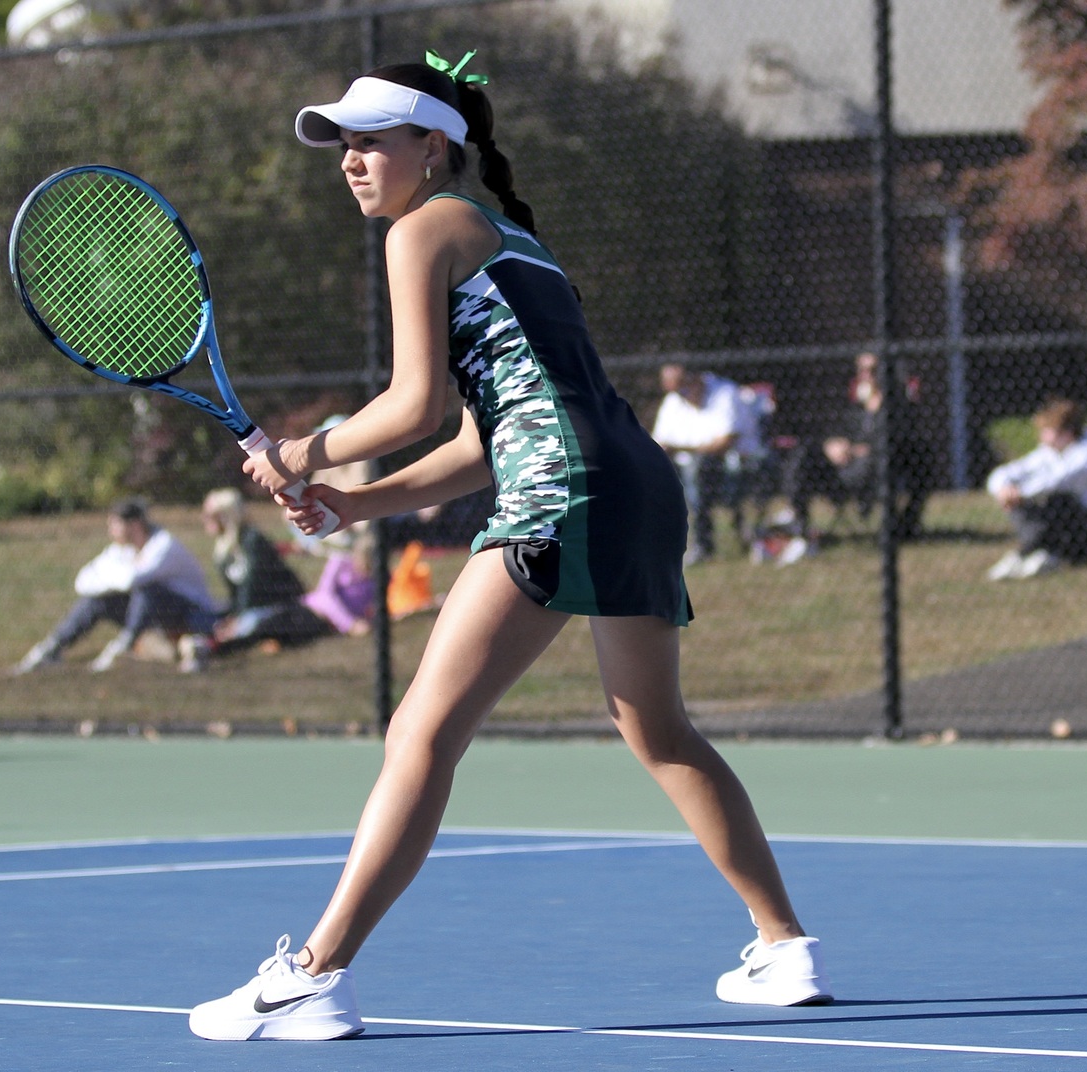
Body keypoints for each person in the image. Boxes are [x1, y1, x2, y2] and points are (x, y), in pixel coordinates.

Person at [188, 51, 829, 1043]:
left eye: (369, 142)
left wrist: (301, 448)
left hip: (564, 489)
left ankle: (312, 975)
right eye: (343, 147)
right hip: (636, 486)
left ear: (432, 148)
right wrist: (357, 504)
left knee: (421, 735)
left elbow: (415, 403)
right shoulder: (514, 241)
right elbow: (485, 433)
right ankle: (785, 945)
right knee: (659, 731)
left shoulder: (423, 230)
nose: (351, 162)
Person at [11, 498, 218, 675]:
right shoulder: (120, 550)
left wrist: (110, 577)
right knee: (97, 601)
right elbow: (83, 581)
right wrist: (114, 579)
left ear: (135, 525)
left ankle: (124, 646)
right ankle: (51, 649)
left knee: (148, 591)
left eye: (114, 524)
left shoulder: (164, 545)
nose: (110, 531)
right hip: (152, 619)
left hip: (192, 616)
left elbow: (134, 580)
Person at [782, 350, 934, 541]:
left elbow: (894, 440)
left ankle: (896, 525)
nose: (866, 375)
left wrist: (854, 450)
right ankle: (798, 522)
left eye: (872, 370)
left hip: (875, 469)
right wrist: (831, 445)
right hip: (841, 467)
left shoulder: (898, 406)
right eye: (862, 370)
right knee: (803, 453)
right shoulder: (855, 404)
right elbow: (834, 429)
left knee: (871, 461)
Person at [183, 488, 330, 668]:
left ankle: (209, 649)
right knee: (208, 618)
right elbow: (236, 593)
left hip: (275, 605)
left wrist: (236, 620)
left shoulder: (253, 541)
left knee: (248, 626)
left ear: (226, 515)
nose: (204, 519)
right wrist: (232, 616)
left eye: (210, 515)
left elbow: (254, 588)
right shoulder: (223, 549)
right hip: (249, 607)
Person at [983, 397, 1087, 580]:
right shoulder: (1049, 452)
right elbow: (1006, 473)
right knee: (1022, 503)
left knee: (1058, 499)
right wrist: (1004, 489)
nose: (1041, 437)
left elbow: (1056, 481)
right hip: (1061, 531)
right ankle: (1038, 554)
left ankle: (1026, 553)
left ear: (1067, 433)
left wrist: (1020, 493)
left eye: (1046, 431)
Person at [650, 363, 767, 563]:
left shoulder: (725, 393)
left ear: (696, 379)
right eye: (675, 391)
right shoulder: (674, 400)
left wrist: (681, 449)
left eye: (683, 388)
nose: (681, 395)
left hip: (732, 463)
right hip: (683, 467)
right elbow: (659, 441)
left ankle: (703, 546)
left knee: (698, 468)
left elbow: (724, 443)